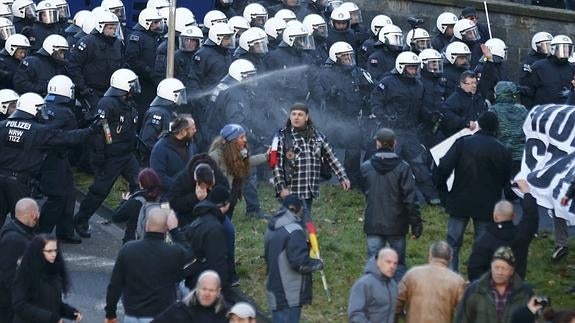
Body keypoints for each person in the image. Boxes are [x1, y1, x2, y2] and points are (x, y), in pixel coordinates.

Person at [434, 111, 512, 272]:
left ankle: (450, 276)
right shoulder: (502, 150)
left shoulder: (463, 143)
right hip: (487, 204)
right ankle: (478, 278)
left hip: (460, 199)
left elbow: (444, 167)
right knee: (482, 245)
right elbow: (506, 180)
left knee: (453, 242)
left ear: (480, 124)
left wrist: (442, 190)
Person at [0, 92, 92, 224]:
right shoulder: (39, 130)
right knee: (24, 224)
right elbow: (68, 138)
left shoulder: (2, 125)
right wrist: (90, 130)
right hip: (19, 183)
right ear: (33, 109)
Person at [74, 69, 141, 239]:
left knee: (140, 184)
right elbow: (101, 131)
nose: (135, 88)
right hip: (111, 156)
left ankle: (127, 215)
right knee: (99, 191)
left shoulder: (129, 103)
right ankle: (81, 219)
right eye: (132, 85)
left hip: (127, 155)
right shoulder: (107, 103)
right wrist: (100, 157)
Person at [370, 51, 438, 204]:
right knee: (388, 164)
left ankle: (432, 197)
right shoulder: (387, 82)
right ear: (401, 67)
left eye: (416, 68)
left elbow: (420, 108)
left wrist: (429, 115)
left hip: (410, 131)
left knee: (419, 164)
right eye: (411, 68)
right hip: (392, 132)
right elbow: (375, 103)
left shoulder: (419, 85)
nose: (414, 71)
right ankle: (381, 194)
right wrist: (385, 117)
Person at [105, 208, 189, 322]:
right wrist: (175, 230)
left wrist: (110, 313)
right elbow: (190, 255)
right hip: (162, 315)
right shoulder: (174, 252)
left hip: (132, 315)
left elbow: (115, 285)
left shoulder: (128, 249)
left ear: (146, 225)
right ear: (166, 228)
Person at [360, 128, 422, 280]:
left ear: (377, 144)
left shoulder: (366, 167)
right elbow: (410, 199)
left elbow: (364, 189)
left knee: (373, 263)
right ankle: (397, 299)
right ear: (395, 143)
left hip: (373, 221)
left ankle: (373, 296)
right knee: (398, 264)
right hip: (397, 224)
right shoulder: (403, 168)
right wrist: (416, 223)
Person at [310, 41, 373, 188]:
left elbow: (370, 87)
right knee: (325, 148)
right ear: (335, 58)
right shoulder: (325, 74)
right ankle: (321, 175)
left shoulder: (357, 72)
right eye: (344, 57)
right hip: (332, 118)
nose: (348, 60)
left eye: (350, 56)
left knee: (354, 151)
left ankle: (352, 181)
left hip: (351, 118)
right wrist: (329, 94)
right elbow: (318, 97)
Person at [271, 103, 350, 216]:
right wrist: (281, 188)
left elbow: (332, 158)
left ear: (307, 117)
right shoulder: (282, 136)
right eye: (293, 114)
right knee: (291, 223)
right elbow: (276, 164)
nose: (296, 117)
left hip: (309, 189)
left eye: (300, 114)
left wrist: (343, 177)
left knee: (304, 221)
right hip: (291, 190)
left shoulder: (318, 137)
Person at [265, 194, 324, 323]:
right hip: (289, 294)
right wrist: (317, 263)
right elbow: (300, 262)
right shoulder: (294, 230)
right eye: (301, 209)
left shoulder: (272, 228)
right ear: (295, 209)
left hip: (274, 290)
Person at [37, 75, 82, 244]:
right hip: (57, 159)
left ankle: (64, 230)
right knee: (60, 196)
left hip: (41, 157)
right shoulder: (66, 113)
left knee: (68, 193)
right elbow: (72, 137)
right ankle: (44, 232)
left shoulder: (43, 105)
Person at [467, 186, 539, 281]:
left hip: (490, 289)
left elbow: (474, 267)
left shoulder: (485, 239)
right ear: (513, 216)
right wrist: (527, 193)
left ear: (495, 216)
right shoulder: (522, 235)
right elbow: (531, 217)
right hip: (515, 288)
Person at [11, 234, 82, 323]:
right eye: (49, 251)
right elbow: (20, 305)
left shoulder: (54, 270)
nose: (54, 254)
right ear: (38, 252)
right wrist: (52, 318)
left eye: (56, 250)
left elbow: (53, 302)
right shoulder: (25, 273)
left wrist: (70, 312)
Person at [455, 247, 533, 323]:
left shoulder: (525, 293)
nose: (499, 272)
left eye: (504, 268)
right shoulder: (475, 289)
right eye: (496, 267)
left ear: (511, 271)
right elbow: (462, 318)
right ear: (491, 267)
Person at [394, 241, 466, 323]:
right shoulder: (457, 281)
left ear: (430, 255)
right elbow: (465, 313)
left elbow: (397, 303)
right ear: (450, 258)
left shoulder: (412, 274)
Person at [67, 9, 124, 111]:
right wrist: (84, 89)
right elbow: (74, 66)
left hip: (111, 92)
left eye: (114, 28)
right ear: (100, 27)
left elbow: (122, 65)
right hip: (90, 92)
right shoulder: (87, 42)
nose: (113, 31)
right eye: (110, 28)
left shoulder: (118, 44)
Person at [0, 198, 39, 323]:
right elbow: (9, 278)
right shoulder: (14, 240)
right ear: (33, 214)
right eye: (38, 211)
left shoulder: (17, 230)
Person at [488, 81, 529, 199]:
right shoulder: (522, 109)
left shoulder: (494, 110)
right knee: (514, 178)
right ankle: (514, 197)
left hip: (501, 151)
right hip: (519, 153)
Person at [125, 8, 164, 123]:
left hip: (155, 82)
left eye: (158, 22)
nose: (158, 26)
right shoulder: (137, 37)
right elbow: (132, 60)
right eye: (155, 23)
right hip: (143, 84)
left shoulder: (157, 37)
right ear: (146, 23)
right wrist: (147, 71)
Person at [138, 78, 187, 165]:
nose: (182, 97)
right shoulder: (157, 113)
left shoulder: (169, 112)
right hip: (152, 162)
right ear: (173, 95)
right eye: (180, 94)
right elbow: (147, 142)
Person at [149, 115, 197, 198]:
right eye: (192, 128)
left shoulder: (190, 144)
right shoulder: (161, 148)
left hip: (187, 195)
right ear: (183, 131)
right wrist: (180, 186)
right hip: (166, 198)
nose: (195, 130)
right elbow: (158, 176)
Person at [152, 270, 228, 323]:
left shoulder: (227, 314)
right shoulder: (179, 309)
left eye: (211, 290)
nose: (207, 294)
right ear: (197, 288)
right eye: (204, 289)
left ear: (218, 292)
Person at [111, 168, 162, 244]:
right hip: (156, 245)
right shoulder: (163, 202)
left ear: (141, 184)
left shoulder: (136, 201)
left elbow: (116, 217)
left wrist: (124, 201)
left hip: (133, 244)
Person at [347, 248, 398, 323]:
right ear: (378, 261)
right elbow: (355, 314)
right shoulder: (364, 284)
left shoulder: (393, 284)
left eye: (395, 263)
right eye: (388, 262)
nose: (392, 266)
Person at [525, 35, 575, 106]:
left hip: (565, 112)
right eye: (561, 49)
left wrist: (571, 93)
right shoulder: (538, 66)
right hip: (543, 111)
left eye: (568, 49)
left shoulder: (572, 68)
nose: (565, 52)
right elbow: (529, 91)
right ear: (553, 49)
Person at [441, 70, 487, 137]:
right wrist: (466, 123)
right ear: (462, 84)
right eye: (471, 83)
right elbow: (448, 116)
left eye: (475, 83)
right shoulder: (454, 99)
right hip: (461, 136)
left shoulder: (479, 98)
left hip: (478, 135)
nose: (474, 86)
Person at [518, 31, 553, 109]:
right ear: (536, 45)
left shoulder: (550, 60)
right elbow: (525, 84)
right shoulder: (530, 61)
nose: (548, 48)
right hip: (533, 100)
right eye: (545, 45)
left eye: (550, 45)